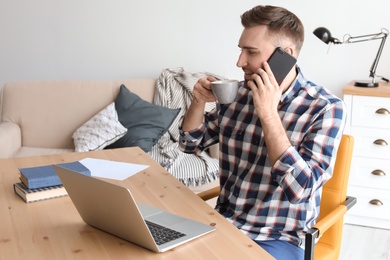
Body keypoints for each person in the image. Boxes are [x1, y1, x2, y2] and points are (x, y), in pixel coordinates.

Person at [179, 5, 346, 260]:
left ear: (286, 56)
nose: (239, 62)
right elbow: (190, 144)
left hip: (280, 239)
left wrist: (268, 113)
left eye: (252, 52)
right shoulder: (238, 94)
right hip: (224, 224)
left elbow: (300, 190)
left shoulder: (325, 108)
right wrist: (199, 101)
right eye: (241, 50)